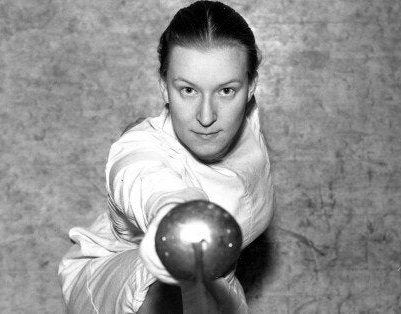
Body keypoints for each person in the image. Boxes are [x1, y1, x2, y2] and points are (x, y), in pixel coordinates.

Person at [58, 1, 275, 312]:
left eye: (226, 91)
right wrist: (170, 216)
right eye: (188, 90)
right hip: (120, 279)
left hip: (216, 278)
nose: (206, 116)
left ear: (251, 87)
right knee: (171, 279)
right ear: (164, 87)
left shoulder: (248, 123)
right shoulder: (141, 149)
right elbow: (143, 179)